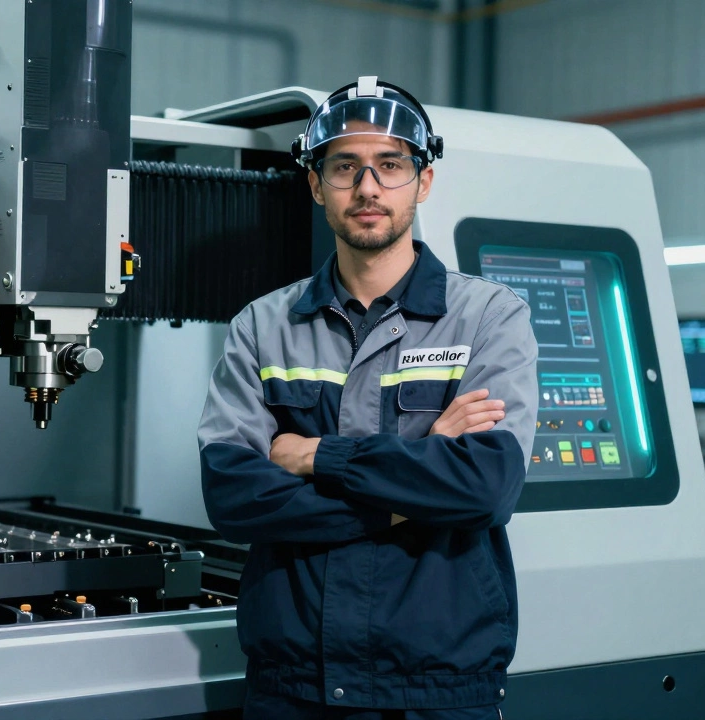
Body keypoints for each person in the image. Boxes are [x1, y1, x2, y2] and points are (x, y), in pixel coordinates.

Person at [197, 76, 539, 719]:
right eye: (345, 167)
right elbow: (232, 495)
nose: (368, 187)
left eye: (391, 165)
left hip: (438, 689)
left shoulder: (488, 319)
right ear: (315, 183)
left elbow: (486, 488)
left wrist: (315, 456)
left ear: (424, 180)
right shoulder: (263, 326)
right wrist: (414, 487)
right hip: (292, 685)